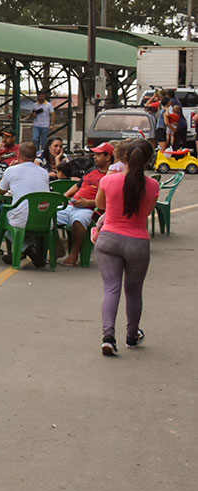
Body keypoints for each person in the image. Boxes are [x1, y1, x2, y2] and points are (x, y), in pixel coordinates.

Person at [94, 137, 160, 356]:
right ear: (149, 160)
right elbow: (147, 212)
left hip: (109, 239)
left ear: (125, 157)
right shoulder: (152, 186)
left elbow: (100, 205)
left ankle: (108, 337)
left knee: (111, 288)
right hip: (137, 242)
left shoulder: (108, 181)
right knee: (133, 291)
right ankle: (132, 335)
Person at [57, 142, 113, 266]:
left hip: (89, 209)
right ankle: (58, 249)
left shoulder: (112, 176)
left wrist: (87, 203)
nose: (94, 157)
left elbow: (110, 200)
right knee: (47, 217)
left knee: (79, 221)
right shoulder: (91, 171)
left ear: (108, 157)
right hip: (71, 205)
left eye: (98, 155)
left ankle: (74, 253)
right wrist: (63, 198)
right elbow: (77, 186)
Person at [0, 141, 50, 266]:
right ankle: (23, 252)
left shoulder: (11, 171)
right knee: (24, 222)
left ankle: (27, 249)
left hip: (21, 220)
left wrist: (10, 170)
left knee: (4, 226)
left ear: (18, 154)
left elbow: (0, 190)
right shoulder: (44, 172)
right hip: (43, 218)